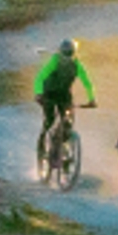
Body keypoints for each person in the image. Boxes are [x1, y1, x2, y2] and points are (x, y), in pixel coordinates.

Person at [32, 39, 95, 171]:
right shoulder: (54, 61)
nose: (67, 56)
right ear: (60, 52)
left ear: (74, 53)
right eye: (65, 53)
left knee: (68, 123)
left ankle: (61, 150)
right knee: (49, 120)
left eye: (70, 53)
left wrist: (92, 99)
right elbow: (40, 77)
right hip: (48, 94)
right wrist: (38, 93)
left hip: (64, 95)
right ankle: (42, 147)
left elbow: (87, 83)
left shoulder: (77, 65)